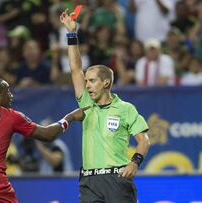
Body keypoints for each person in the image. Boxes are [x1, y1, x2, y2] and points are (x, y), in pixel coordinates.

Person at [0, 78, 90, 203]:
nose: (11, 96)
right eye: (7, 91)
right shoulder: (10, 116)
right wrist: (69, 118)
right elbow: (47, 134)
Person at [60, 10, 151, 202]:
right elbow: (76, 68)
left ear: (106, 83)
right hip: (89, 182)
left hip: (117, 180)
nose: (87, 85)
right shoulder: (86, 103)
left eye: (92, 81)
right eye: (86, 81)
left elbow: (144, 140)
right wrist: (71, 34)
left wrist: (135, 163)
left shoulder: (126, 108)